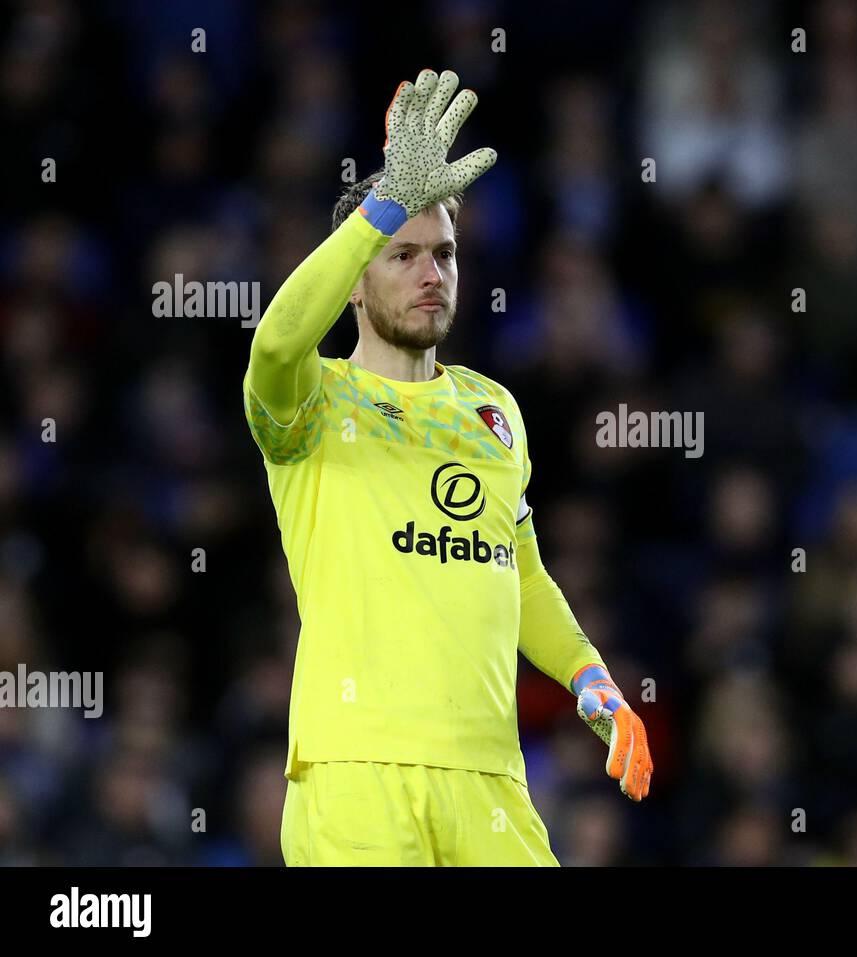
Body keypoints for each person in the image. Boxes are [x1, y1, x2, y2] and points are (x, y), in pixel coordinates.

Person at [242, 68, 652, 866]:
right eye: (403, 254)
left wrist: (587, 675)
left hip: (491, 780)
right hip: (357, 772)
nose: (432, 275)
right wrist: (383, 203)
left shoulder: (494, 414)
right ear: (355, 281)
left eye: (446, 254)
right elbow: (275, 342)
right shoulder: (312, 401)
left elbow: (520, 571)